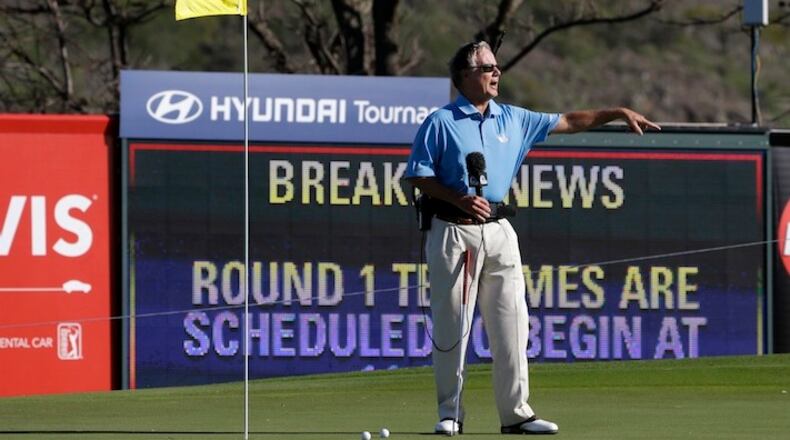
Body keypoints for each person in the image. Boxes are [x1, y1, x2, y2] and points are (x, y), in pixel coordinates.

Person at [405, 41, 660, 436]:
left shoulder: (514, 118)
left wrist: (617, 113)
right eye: (487, 67)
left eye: (496, 66)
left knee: (512, 324)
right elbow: (418, 175)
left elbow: (570, 121)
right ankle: (450, 414)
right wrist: (458, 197)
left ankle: (516, 415)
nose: (496, 73)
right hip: (454, 229)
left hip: (499, 230)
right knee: (454, 327)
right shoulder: (441, 122)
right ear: (465, 76)